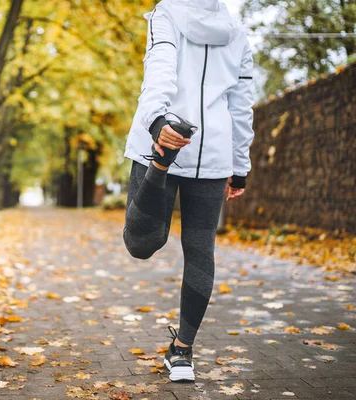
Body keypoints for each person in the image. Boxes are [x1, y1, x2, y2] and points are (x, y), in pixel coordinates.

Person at [123, 0, 255, 382]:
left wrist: (157, 122)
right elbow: (240, 105)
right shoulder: (238, 32)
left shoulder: (166, 13)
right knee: (200, 251)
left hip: (163, 137)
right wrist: (239, 166)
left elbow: (159, 71)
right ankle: (182, 353)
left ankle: (159, 164)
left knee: (142, 243)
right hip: (211, 153)